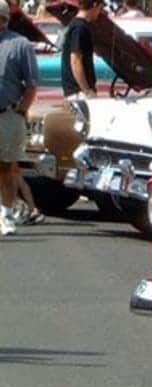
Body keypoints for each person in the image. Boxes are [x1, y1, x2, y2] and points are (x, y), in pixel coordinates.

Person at [0, 0, 39, 235]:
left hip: (8, 114)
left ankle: (6, 213)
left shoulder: (20, 45)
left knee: (6, 167)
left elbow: (32, 84)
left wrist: (21, 110)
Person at [61, 0, 104, 100]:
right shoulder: (80, 28)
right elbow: (75, 60)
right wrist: (87, 91)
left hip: (77, 91)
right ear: (95, 4)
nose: (100, 12)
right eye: (100, 8)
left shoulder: (76, 25)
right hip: (79, 92)